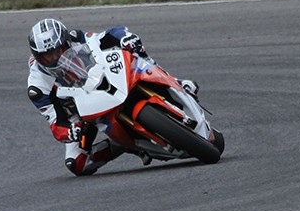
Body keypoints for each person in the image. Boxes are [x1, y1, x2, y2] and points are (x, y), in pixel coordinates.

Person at [27, 17, 198, 176]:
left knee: (136, 52)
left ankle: (175, 82)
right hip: (79, 114)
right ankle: (122, 144)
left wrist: (124, 37)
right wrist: (70, 132)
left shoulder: (77, 38)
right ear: (37, 57)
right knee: (77, 164)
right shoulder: (37, 87)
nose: (55, 57)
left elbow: (106, 36)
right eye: (47, 55)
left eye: (59, 50)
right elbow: (56, 124)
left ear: (66, 41)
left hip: (101, 78)